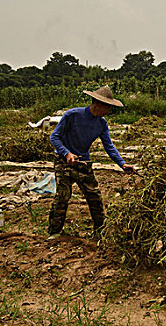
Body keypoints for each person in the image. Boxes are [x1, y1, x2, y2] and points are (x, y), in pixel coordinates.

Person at [47, 86, 135, 240]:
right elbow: (54, 137)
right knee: (63, 196)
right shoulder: (72, 115)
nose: (108, 111)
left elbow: (109, 146)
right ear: (98, 104)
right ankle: (54, 232)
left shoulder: (101, 123)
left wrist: (122, 163)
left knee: (94, 196)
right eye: (107, 107)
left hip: (83, 162)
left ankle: (100, 232)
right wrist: (67, 153)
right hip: (63, 161)